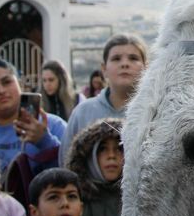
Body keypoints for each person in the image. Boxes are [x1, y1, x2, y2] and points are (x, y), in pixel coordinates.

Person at [0, 58, 67, 181]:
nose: (1, 90)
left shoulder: (54, 125)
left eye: (7, 82)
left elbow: (73, 170)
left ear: (20, 85)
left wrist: (44, 141)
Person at [62, 34, 146, 162]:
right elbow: (66, 162)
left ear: (146, 67)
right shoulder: (83, 113)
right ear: (104, 69)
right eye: (116, 58)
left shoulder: (156, 113)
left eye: (133, 58)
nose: (124, 64)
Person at [67, 116, 125, 216]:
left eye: (119, 148)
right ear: (90, 156)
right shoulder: (78, 197)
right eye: (103, 149)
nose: (111, 155)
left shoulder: (139, 198)